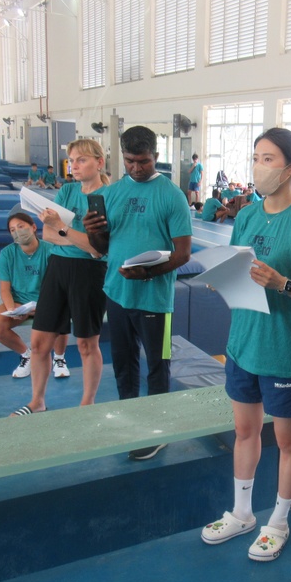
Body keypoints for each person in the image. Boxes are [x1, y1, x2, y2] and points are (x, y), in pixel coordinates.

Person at [201, 128, 291, 562]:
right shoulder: (247, 216)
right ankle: (242, 513)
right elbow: (240, 270)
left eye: (268, 159)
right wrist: (221, 280)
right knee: (244, 431)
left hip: (284, 351)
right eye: (256, 157)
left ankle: (277, 521)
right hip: (243, 343)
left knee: (287, 441)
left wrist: (282, 283)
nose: (259, 166)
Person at [85, 126, 192, 460]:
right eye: (130, 161)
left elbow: (183, 254)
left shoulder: (171, 195)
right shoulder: (112, 193)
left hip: (155, 302)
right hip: (117, 296)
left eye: (143, 161)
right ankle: (132, 422)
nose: (136, 168)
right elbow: (103, 248)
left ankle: (158, 430)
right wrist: (93, 232)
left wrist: (147, 273)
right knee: (124, 364)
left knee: (158, 365)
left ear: (156, 158)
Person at [10, 139, 108, 416]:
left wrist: (65, 231)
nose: (74, 166)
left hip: (89, 273)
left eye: (82, 160)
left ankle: (87, 404)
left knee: (88, 344)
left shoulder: (107, 197)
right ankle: (37, 401)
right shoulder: (66, 190)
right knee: (40, 343)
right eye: (72, 160)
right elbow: (48, 234)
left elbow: (98, 249)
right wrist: (76, 237)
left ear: (99, 163)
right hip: (58, 269)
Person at [0, 211, 70, 379]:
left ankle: (59, 358)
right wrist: (13, 308)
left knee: (61, 315)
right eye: (12, 230)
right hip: (19, 302)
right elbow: (4, 288)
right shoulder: (7, 254)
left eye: (21, 227)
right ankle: (26, 355)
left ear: (33, 227)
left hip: (48, 301)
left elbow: (58, 286)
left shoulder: (50, 250)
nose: (17, 232)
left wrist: (41, 307)